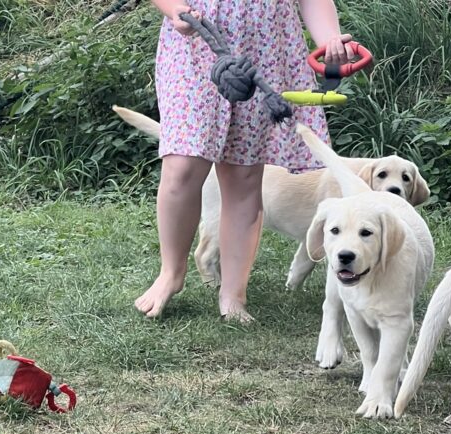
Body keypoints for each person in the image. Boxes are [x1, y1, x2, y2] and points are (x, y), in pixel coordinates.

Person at [136, 0, 355, 322]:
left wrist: (330, 40)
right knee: (182, 167)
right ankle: (171, 272)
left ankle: (233, 294)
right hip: (195, 49)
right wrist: (175, 11)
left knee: (244, 176)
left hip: (268, 50)